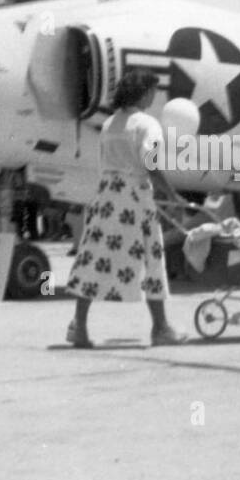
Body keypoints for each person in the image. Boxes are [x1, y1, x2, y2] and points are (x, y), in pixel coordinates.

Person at [65, 70, 186, 347]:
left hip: (107, 196)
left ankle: (79, 326)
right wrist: (172, 194)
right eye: (152, 92)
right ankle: (161, 327)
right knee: (151, 258)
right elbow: (151, 164)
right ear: (143, 93)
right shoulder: (147, 124)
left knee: (92, 258)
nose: (154, 97)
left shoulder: (110, 123)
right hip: (134, 199)